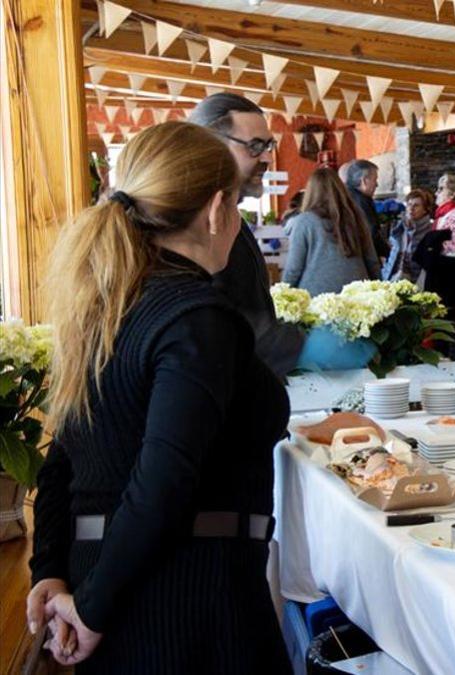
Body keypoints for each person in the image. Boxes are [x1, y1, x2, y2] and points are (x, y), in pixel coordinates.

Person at [26, 122, 290, 673]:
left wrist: (50, 568)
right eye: (238, 205)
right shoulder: (196, 319)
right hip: (185, 601)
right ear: (218, 209)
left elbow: (62, 458)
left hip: (106, 578)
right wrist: (92, 609)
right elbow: (163, 480)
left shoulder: (102, 306)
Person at [189, 93, 304, 379]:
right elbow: (218, 327)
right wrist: (304, 347)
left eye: (268, 145)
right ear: (210, 146)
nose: (267, 157)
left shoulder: (229, 218)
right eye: (254, 146)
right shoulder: (193, 225)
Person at [283, 168, 380, 294]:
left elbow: (294, 268)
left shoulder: (304, 221)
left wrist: (283, 293)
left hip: (316, 296)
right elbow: (372, 261)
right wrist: (377, 289)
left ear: (311, 192)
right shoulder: (356, 217)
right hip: (357, 296)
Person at [414, 173, 455, 327]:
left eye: (441, 189)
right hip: (439, 275)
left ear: (453, 193)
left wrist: (432, 244)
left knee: (445, 323)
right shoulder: (443, 215)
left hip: (450, 278)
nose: (436, 193)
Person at [381, 188, 435, 282]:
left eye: (416, 205)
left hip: (418, 281)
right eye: (409, 204)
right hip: (393, 278)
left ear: (425, 210)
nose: (411, 209)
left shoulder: (430, 231)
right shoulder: (399, 228)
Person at [344, 159, 387, 260]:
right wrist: (388, 252)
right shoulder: (362, 200)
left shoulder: (345, 195)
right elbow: (371, 233)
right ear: (364, 181)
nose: (377, 185)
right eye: (375, 180)